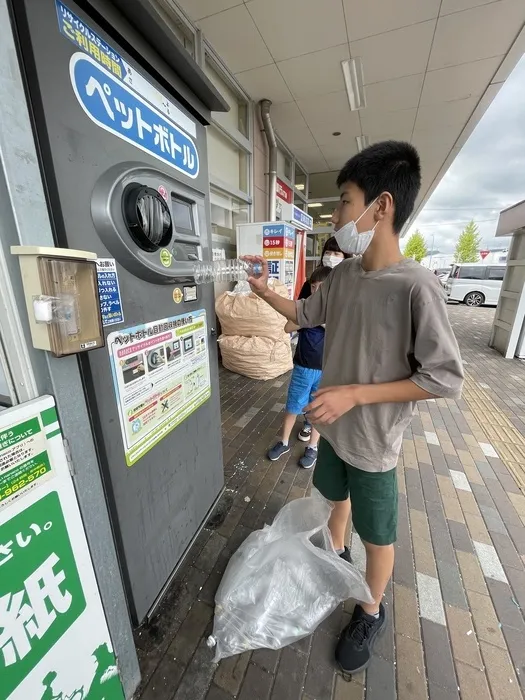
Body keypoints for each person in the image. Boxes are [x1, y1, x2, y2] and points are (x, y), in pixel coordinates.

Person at [245, 140, 463, 676]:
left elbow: (443, 378)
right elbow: (302, 313)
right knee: (332, 500)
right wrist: (262, 291)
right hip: (334, 432)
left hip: (373, 443)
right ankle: (335, 559)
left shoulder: (417, 286)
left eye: (344, 201)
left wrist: (355, 394)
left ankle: (370, 608)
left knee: (379, 534)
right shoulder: (341, 277)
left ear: (380, 206)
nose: (337, 214)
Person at [267, 265, 332, 469]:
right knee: (293, 406)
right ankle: (283, 442)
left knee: (317, 410)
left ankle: (312, 447)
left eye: (322, 287)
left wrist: (322, 321)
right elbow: (288, 326)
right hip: (303, 368)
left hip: (326, 371)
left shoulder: (336, 311)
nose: (316, 291)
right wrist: (310, 319)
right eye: (313, 286)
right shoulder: (305, 308)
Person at [297, 236, 351, 443]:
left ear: (346, 257)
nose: (331, 257)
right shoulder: (313, 281)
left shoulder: (349, 283)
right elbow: (299, 310)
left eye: (337, 253)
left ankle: (315, 431)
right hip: (310, 346)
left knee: (322, 391)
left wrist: (318, 321)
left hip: (333, 349)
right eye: (328, 252)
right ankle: (307, 423)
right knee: (307, 390)